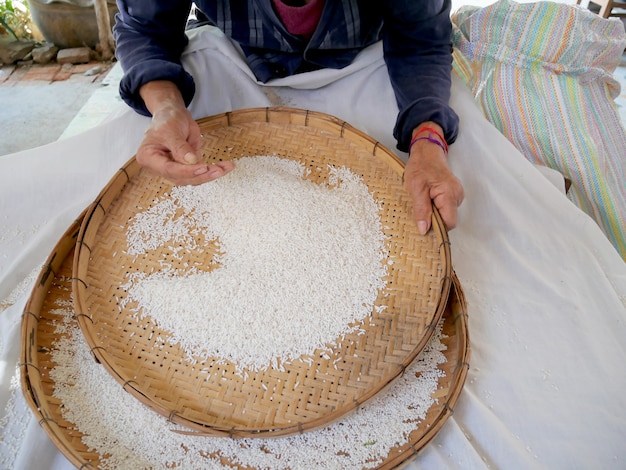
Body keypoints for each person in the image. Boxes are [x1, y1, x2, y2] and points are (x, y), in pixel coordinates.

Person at [113, 0, 464, 235]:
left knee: (463, 157)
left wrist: (428, 137)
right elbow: (145, 30)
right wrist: (167, 107)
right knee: (134, 143)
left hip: (365, 62)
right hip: (232, 60)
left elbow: (420, 41)